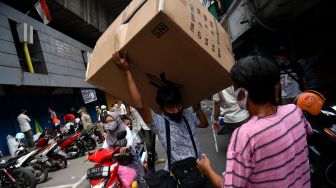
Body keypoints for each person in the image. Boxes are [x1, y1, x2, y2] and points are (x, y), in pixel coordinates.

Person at [197, 55, 312, 188]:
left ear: (242, 92)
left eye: (235, 88)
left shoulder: (245, 135)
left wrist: (207, 169)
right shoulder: (294, 111)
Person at [112, 51, 213, 187]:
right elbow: (141, 106)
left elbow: (204, 123)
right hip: (178, 177)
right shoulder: (159, 122)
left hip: (200, 169)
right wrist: (126, 71)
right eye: (170, 108)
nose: (176, 110)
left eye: (178, 105)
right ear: (161, 108)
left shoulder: (187, 114)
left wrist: (197, 108)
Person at [102, 111, 147, 188]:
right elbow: (104, 146)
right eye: (107, 122)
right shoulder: (109, 134)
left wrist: (127, 146)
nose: (109, 123)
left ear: (116, 119)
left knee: (141, 179)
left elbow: (130, 138)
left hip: (129, 156)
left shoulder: (124, 128)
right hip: (117, 159)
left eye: (111, 120)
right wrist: (97, 153)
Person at [129, 106, 165, 172]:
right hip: (140, 127)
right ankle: (150, 166)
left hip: (149, 125)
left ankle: (155, 158)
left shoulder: (144, 102)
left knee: (151, 144)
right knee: (148, 145)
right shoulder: (131, 105)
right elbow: (132, 116)